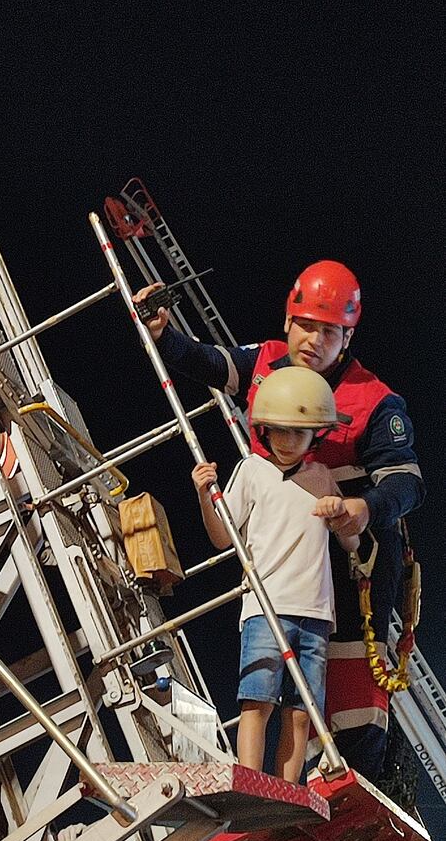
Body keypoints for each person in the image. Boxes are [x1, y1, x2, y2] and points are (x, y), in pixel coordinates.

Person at [137, 259, 423, 782]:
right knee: (269, 684)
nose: (312, 340)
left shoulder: (376, 401)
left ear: (348, 335)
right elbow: (206, 361)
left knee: (350, 691)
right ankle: (281, 791)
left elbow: (407, 483)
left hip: (351, 560)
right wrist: (163, 334)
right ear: (287, 322)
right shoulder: (265, 361)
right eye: (304, 325)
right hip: (280, 553)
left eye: (328, 330)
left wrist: (365, 508)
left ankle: (349, 791)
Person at [192, 368, 358, 782]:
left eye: (298, 433)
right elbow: (220, 537)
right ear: (265, 430)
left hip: (316, 613)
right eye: (280, 431)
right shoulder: (251, 470)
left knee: (301, 715)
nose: (287, 441)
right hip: (266, 609)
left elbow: (352, 545)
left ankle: (288, 792)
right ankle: (250, 784)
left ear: (315, 435)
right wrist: (203, 493)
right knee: (257, 702)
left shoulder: (322, 479)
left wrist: (340, 514)